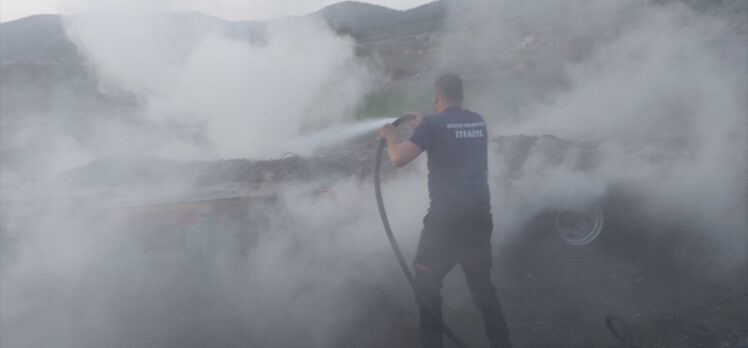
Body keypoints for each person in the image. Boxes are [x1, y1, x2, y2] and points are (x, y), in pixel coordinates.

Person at [378, 74, 512, 348]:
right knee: (483, 290)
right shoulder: (477, 121)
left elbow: (398, 159)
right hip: (479, 217)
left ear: (436, 97)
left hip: (446, 221)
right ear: (461, 95)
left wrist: (391, 137)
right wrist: (421, 126)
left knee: (426, 284)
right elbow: (451, 137)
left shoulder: (433, 124)